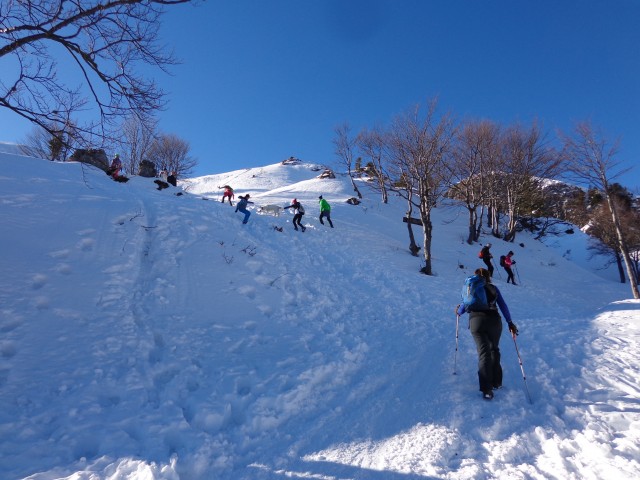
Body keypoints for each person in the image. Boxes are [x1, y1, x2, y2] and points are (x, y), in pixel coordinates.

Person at [456, 268, 518, 400]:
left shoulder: (471, 289)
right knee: (494, 349)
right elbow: (503, 305)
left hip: (476, 321)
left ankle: (487, 389)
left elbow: (461, 309)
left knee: (484, 353)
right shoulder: (493, 288)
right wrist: (510, 322)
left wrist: (458, 311)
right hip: (494, 321)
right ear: (488, 276)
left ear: (475, 276)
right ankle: (497, 382)